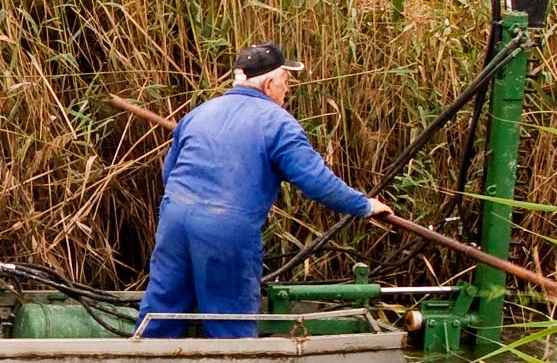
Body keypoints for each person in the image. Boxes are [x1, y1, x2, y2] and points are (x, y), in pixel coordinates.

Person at [135, 42, 391, 340]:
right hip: (226, 229)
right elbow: (316, 181)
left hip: (174, 219)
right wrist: (364, 206)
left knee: (161, 312)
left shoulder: (200, 112)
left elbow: (170, 174)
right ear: (269, 84)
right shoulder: (278, 123)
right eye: (286, 80)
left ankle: (143, 357)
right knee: (231, 323)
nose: (287, 89)